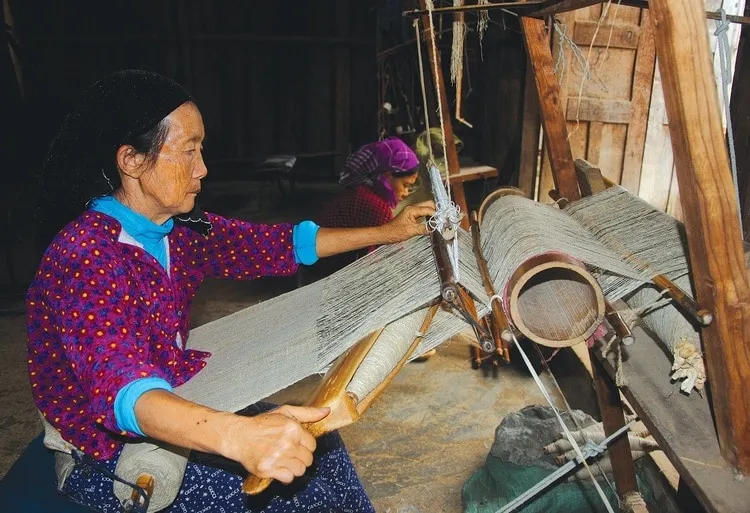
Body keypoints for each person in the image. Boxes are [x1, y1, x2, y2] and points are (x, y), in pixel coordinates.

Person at [26, 70, 435, 513]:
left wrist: (388, 232)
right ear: (132, 160)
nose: (203, 168)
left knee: (322, 445)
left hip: (173, 391)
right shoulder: (87, 256)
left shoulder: (177, 230)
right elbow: (120, 390)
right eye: (189, 151)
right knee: (295, 497)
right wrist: (238, 436)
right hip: (106, 453)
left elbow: (279, 243)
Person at [302, 137, 422, 282]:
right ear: (388, 175)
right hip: (321, 271)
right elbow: (393, 259)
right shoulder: (374, 206)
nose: (406, 193)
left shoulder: (363, 190)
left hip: (313, 258)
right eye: (405, 185)